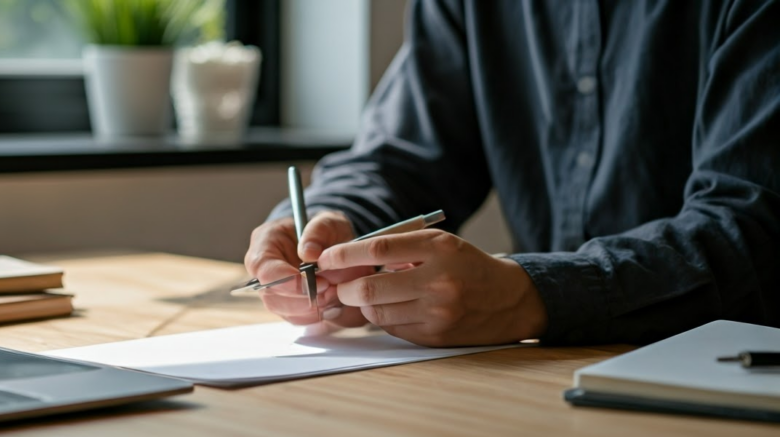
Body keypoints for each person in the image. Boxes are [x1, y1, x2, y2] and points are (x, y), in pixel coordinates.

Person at [244, 0, 780, 347]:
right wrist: (333, 215)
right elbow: (401, 157)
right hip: (541, 382)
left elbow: (754, 229)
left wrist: (533, 293)